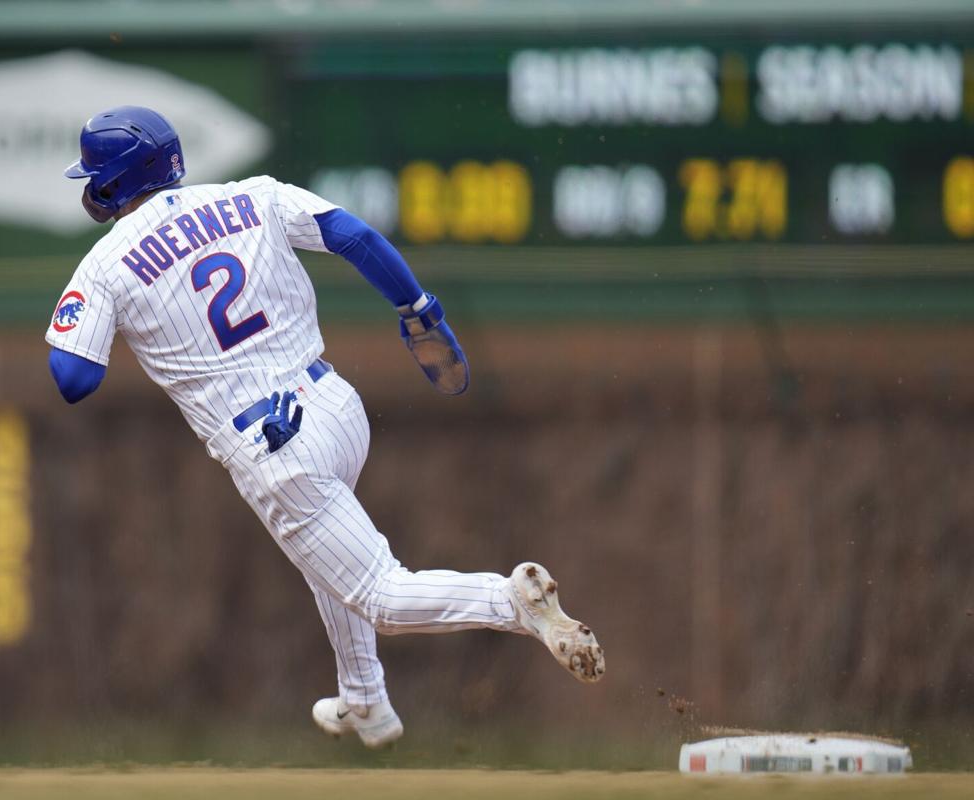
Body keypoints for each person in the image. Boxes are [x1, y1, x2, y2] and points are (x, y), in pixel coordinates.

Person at [47, 106, 605, 748]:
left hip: (273, 447)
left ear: (111, 183)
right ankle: (365, 702)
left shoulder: (105, 264)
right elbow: (354, 235)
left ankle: (512, 603)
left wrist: (90, 310)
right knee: (329, 564)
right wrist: (418, 309)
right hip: (336, 407)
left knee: (382, 596)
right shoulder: (252, 196)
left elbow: (74, 380)